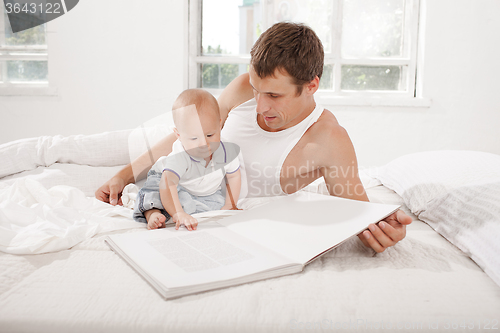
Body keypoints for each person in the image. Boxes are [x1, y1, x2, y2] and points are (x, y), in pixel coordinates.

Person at [96, 22, 412, 252]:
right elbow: (190, 136)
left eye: (274, 95)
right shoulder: (244, 87)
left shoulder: (329, 141)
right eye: (257, 89)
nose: (259, 106)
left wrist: (385, 230)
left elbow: (361, 215)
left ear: (312, 85)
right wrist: (123, 175)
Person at [132, 89, 241, 231]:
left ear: (219, 125)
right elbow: (167, 184)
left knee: (215, 206)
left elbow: (234, 176)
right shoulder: (180, 155)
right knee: (153, 193)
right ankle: (152, 213)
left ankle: (184, 208)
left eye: (209, 135)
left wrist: (230, 204)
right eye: (194, 138)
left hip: (204, 192)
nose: (203, 144)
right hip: (167, 182)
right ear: (179, 135)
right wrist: (178, 214)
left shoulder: (227, 151)